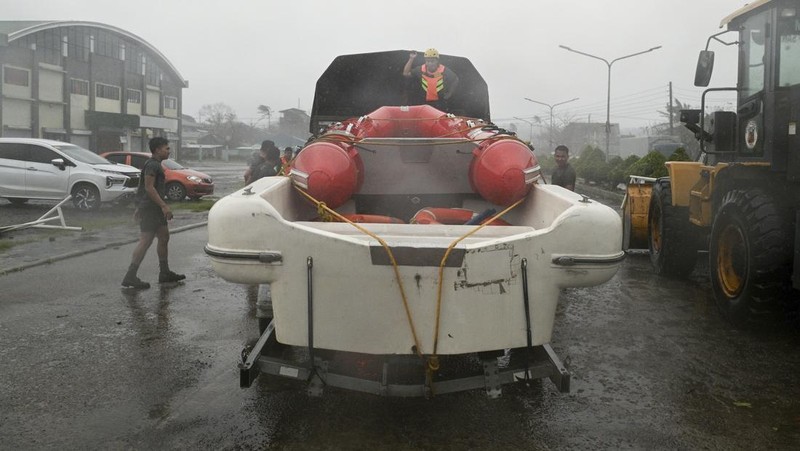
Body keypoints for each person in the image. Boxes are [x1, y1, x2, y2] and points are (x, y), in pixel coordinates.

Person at [121, 137, 186, 289]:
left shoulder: (156, 165)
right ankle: (130, 276)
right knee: (146, 241)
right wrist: (163, 206)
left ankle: (164, 272)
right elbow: (149, 188)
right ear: (157, 150)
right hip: (151, 208)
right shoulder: (152, 165)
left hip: (153, 208)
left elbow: (145, 189)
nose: (169, 151)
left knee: (164, 237)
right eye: (166, 148)